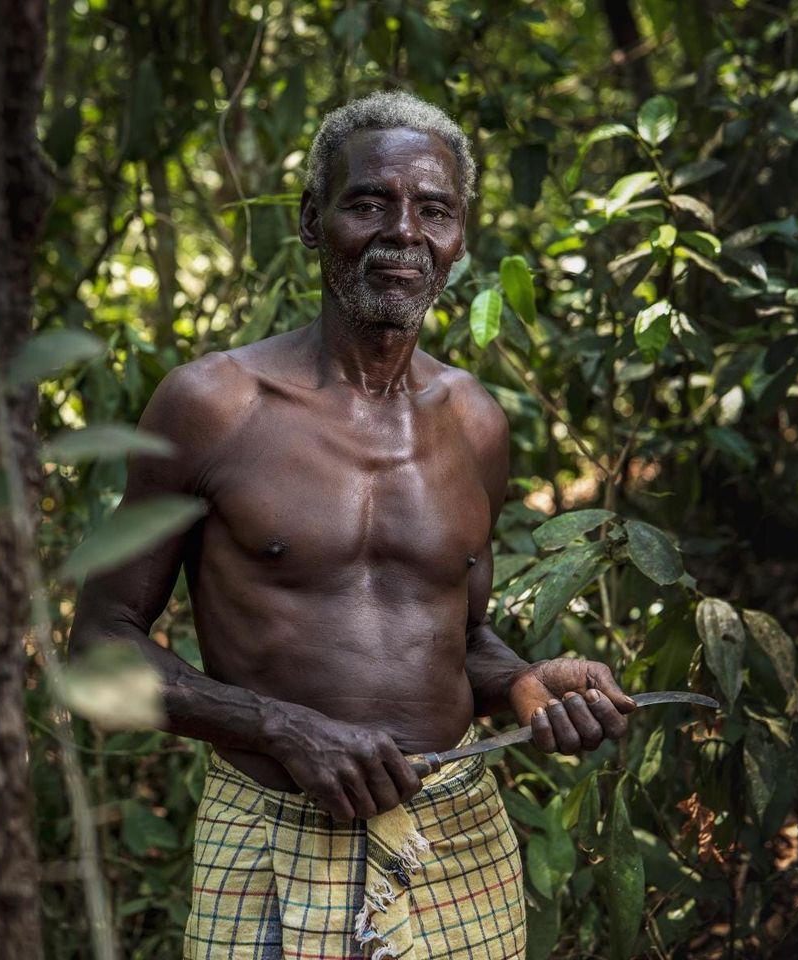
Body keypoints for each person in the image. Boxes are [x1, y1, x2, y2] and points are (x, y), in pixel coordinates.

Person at [68, 90, 637, 959]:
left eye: (433, 209)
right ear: (312, 221)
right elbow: (97, 648)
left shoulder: (474, 419)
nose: (402, 231)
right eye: (369, 202)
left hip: (456, 837)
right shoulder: (214, 404)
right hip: (273, 835)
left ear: (458, 238)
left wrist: (526, 686)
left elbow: (461, 633)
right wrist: (280, 727)